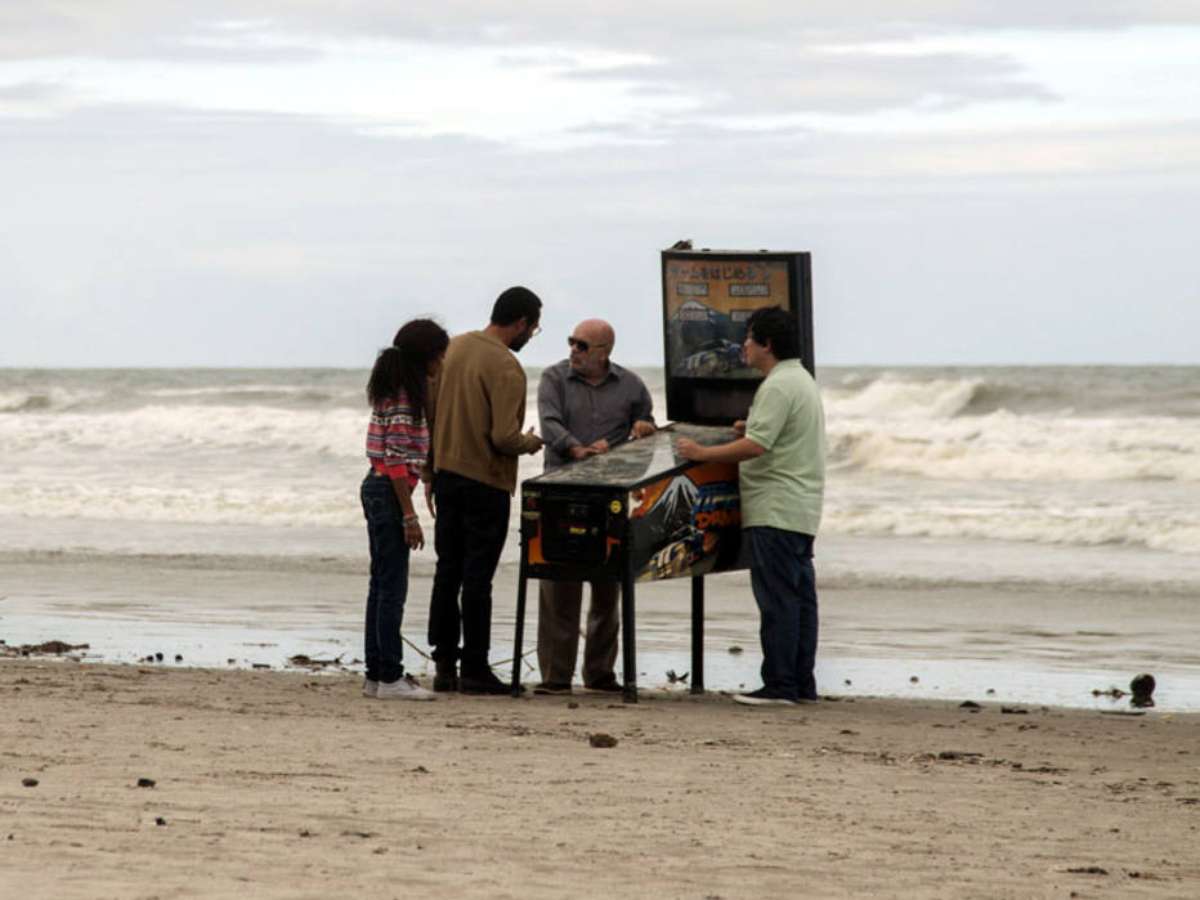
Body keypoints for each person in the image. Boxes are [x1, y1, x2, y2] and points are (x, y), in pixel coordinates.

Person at [676, 306, 825, 706]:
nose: (743, 345)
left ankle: (779, 684)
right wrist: (751, 425)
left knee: (777, 599)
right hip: (801, 508)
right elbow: (774, 433)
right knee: (799, 599)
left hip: (775, 507)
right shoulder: (800, 380)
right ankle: (801, 683)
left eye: (749, 338)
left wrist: (702, 452)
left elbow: (756, 447)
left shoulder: (777, 386)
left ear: (767, 344)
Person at [427, 286, 545, 694]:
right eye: (534, 328)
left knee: (447, 571)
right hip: (485, 482)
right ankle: (475, 667)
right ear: (521, 323)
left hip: (446, 474)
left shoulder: (453, 349)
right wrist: (531, 442)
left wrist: (429, 470)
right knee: (478, 579)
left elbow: (431, 415)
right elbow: (503, 437)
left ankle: (444, 663)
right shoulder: (506, 366)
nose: (531, 335)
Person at [534, 319, 656, 695]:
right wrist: (576, 448)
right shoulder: (553, 378)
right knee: (560, 587)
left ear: (604, 352)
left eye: (583, 345)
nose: (574, 350)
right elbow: (549, 423)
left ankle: (600, 673)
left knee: (607, 586)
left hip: (610, 494)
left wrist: (644, 427)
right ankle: (556, 676)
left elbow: (646, 421)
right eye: (572, 342)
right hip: (562, 490)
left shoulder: (631, 385)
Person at [361, 318, 450, 701]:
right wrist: (409, 516)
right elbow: (396, 459)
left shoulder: (394, 390)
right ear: (426, 357)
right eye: (440, 355)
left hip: (378, 487)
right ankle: (391, 677)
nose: (442, 363)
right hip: (388, 490)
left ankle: (376, 675)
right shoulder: (403, 398)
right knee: (392, 589)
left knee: (380, 586)